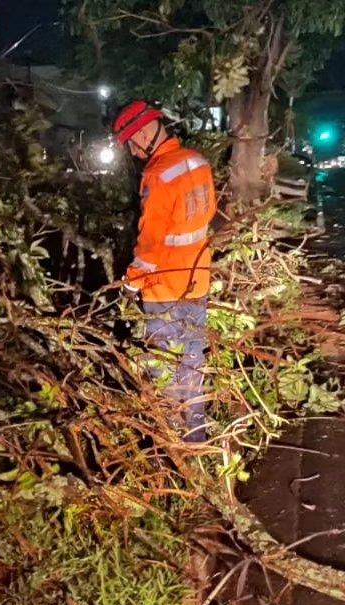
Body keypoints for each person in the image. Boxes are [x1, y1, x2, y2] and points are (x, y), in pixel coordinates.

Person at [113, 100, 216, 443]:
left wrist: (130, 284)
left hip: (165, 289)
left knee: (163, 369)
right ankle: (197, 437)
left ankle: (172, 445)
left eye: (131, 142)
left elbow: (151, 243)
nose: (133, 150)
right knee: (192, 361)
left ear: (144, 132)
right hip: (198, 279)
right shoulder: (198, 162)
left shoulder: (157, 175)